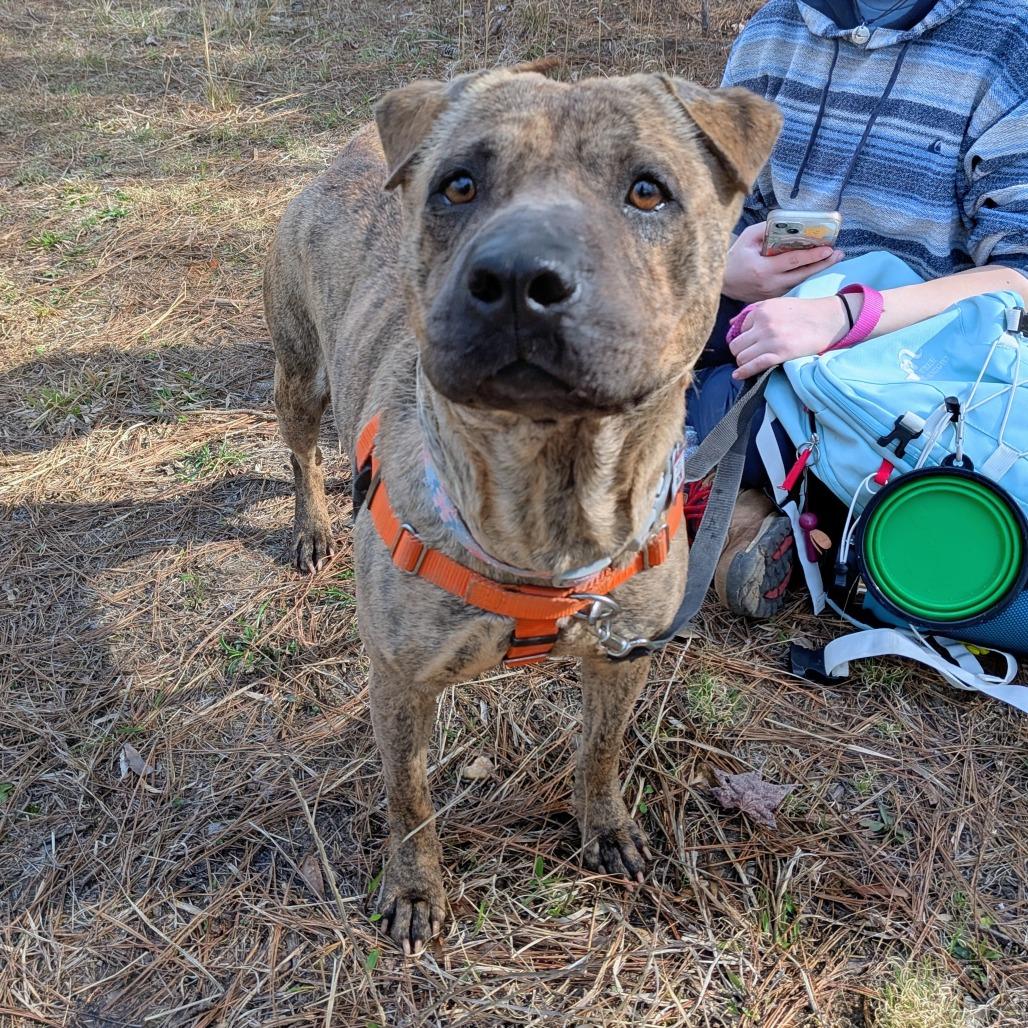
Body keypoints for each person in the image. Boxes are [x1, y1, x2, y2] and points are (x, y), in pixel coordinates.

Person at [691, 0, 1028, 618]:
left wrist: (847, 317)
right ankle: (760, 509)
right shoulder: (772, 33)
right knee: (612, 344)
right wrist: (721, 268)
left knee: (717, 404)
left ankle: (752, 511)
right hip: (768, 310)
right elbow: (714, 205)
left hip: (919, 357)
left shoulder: (1008, 44)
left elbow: (1019, 277)